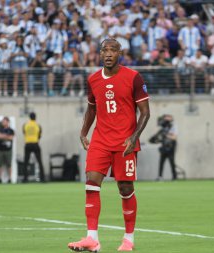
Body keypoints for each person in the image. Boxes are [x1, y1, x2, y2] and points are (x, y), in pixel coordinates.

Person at [68, 38, 150, 252]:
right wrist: (84, 132)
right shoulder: (93, 79)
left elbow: (145, 112)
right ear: (100, 53)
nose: (108, 54)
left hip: (125, 143)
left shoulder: (133, 77)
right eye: (105, 50)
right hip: (101, 141)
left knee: (125, 188)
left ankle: (128, 239)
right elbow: (91, 109)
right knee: (91, 183)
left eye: (113, 50)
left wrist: (134, 136)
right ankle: (92, 239)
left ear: (120, 53)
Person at [149, 115, 178, 181]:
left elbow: (174, 137)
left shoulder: (173, 127)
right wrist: (157, 140)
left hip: (171, 147)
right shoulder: (162, 130)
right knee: (161, 162)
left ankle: (174, 177)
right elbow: (153, 139)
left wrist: (166, 135)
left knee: (171, 161)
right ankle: (160, 176)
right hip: (164, 147)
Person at [22, 112, 45, 183]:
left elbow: (24, 133)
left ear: (29, 117)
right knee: (39, 161)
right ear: (35, 117)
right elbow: (39, 135)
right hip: (35, 144)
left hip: (28, 144)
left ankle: (25, 179)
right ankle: (42, 179)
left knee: (26, 162)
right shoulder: (38, 125)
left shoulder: (25, 125)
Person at [0, 116, 14, 183]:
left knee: (9, 165)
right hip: (0, 150)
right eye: (2, 121)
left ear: (7, 122)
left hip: (8, 150)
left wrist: (2, 136)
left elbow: (11, 138)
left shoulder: (11, 130)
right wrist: (6, 136)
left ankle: (10, 178)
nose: (3, 122)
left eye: (4, 121)